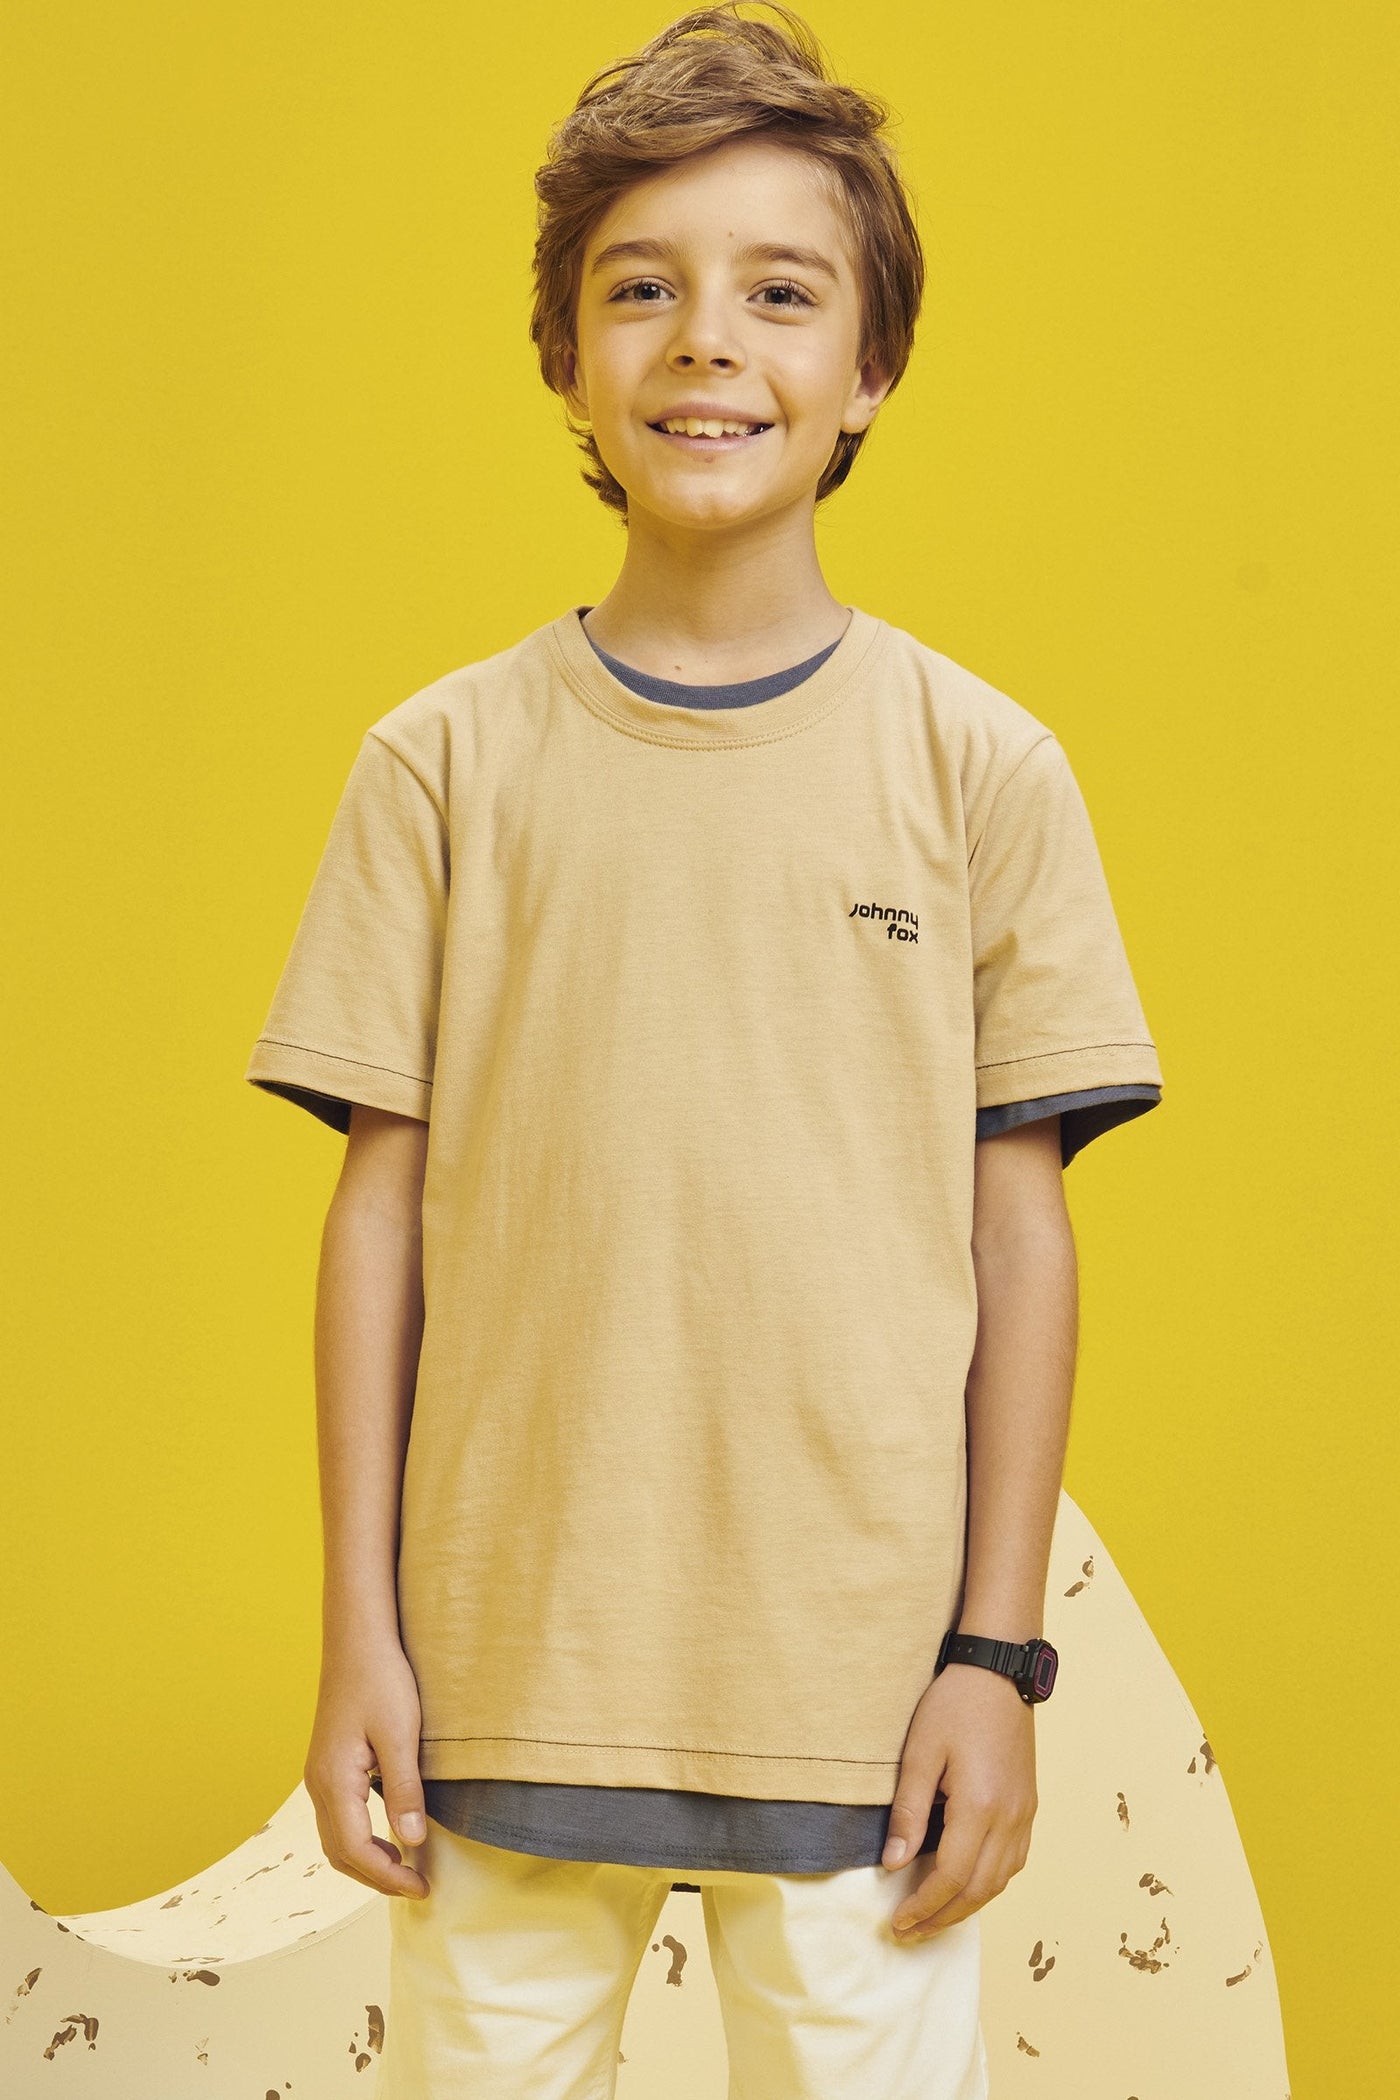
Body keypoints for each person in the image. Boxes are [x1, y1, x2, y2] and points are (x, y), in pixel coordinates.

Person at [243, 6, 1163, 2094]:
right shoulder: (441, 767)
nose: (706, 344)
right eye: (639, 289)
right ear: (565, 355)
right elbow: (376, 1219)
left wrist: (994, 1658)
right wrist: (360, 1634)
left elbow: (1018, 1240)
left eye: (781, 293)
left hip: (867, 1715)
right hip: (497, 1685)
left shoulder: (982, 770)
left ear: (871, 366)